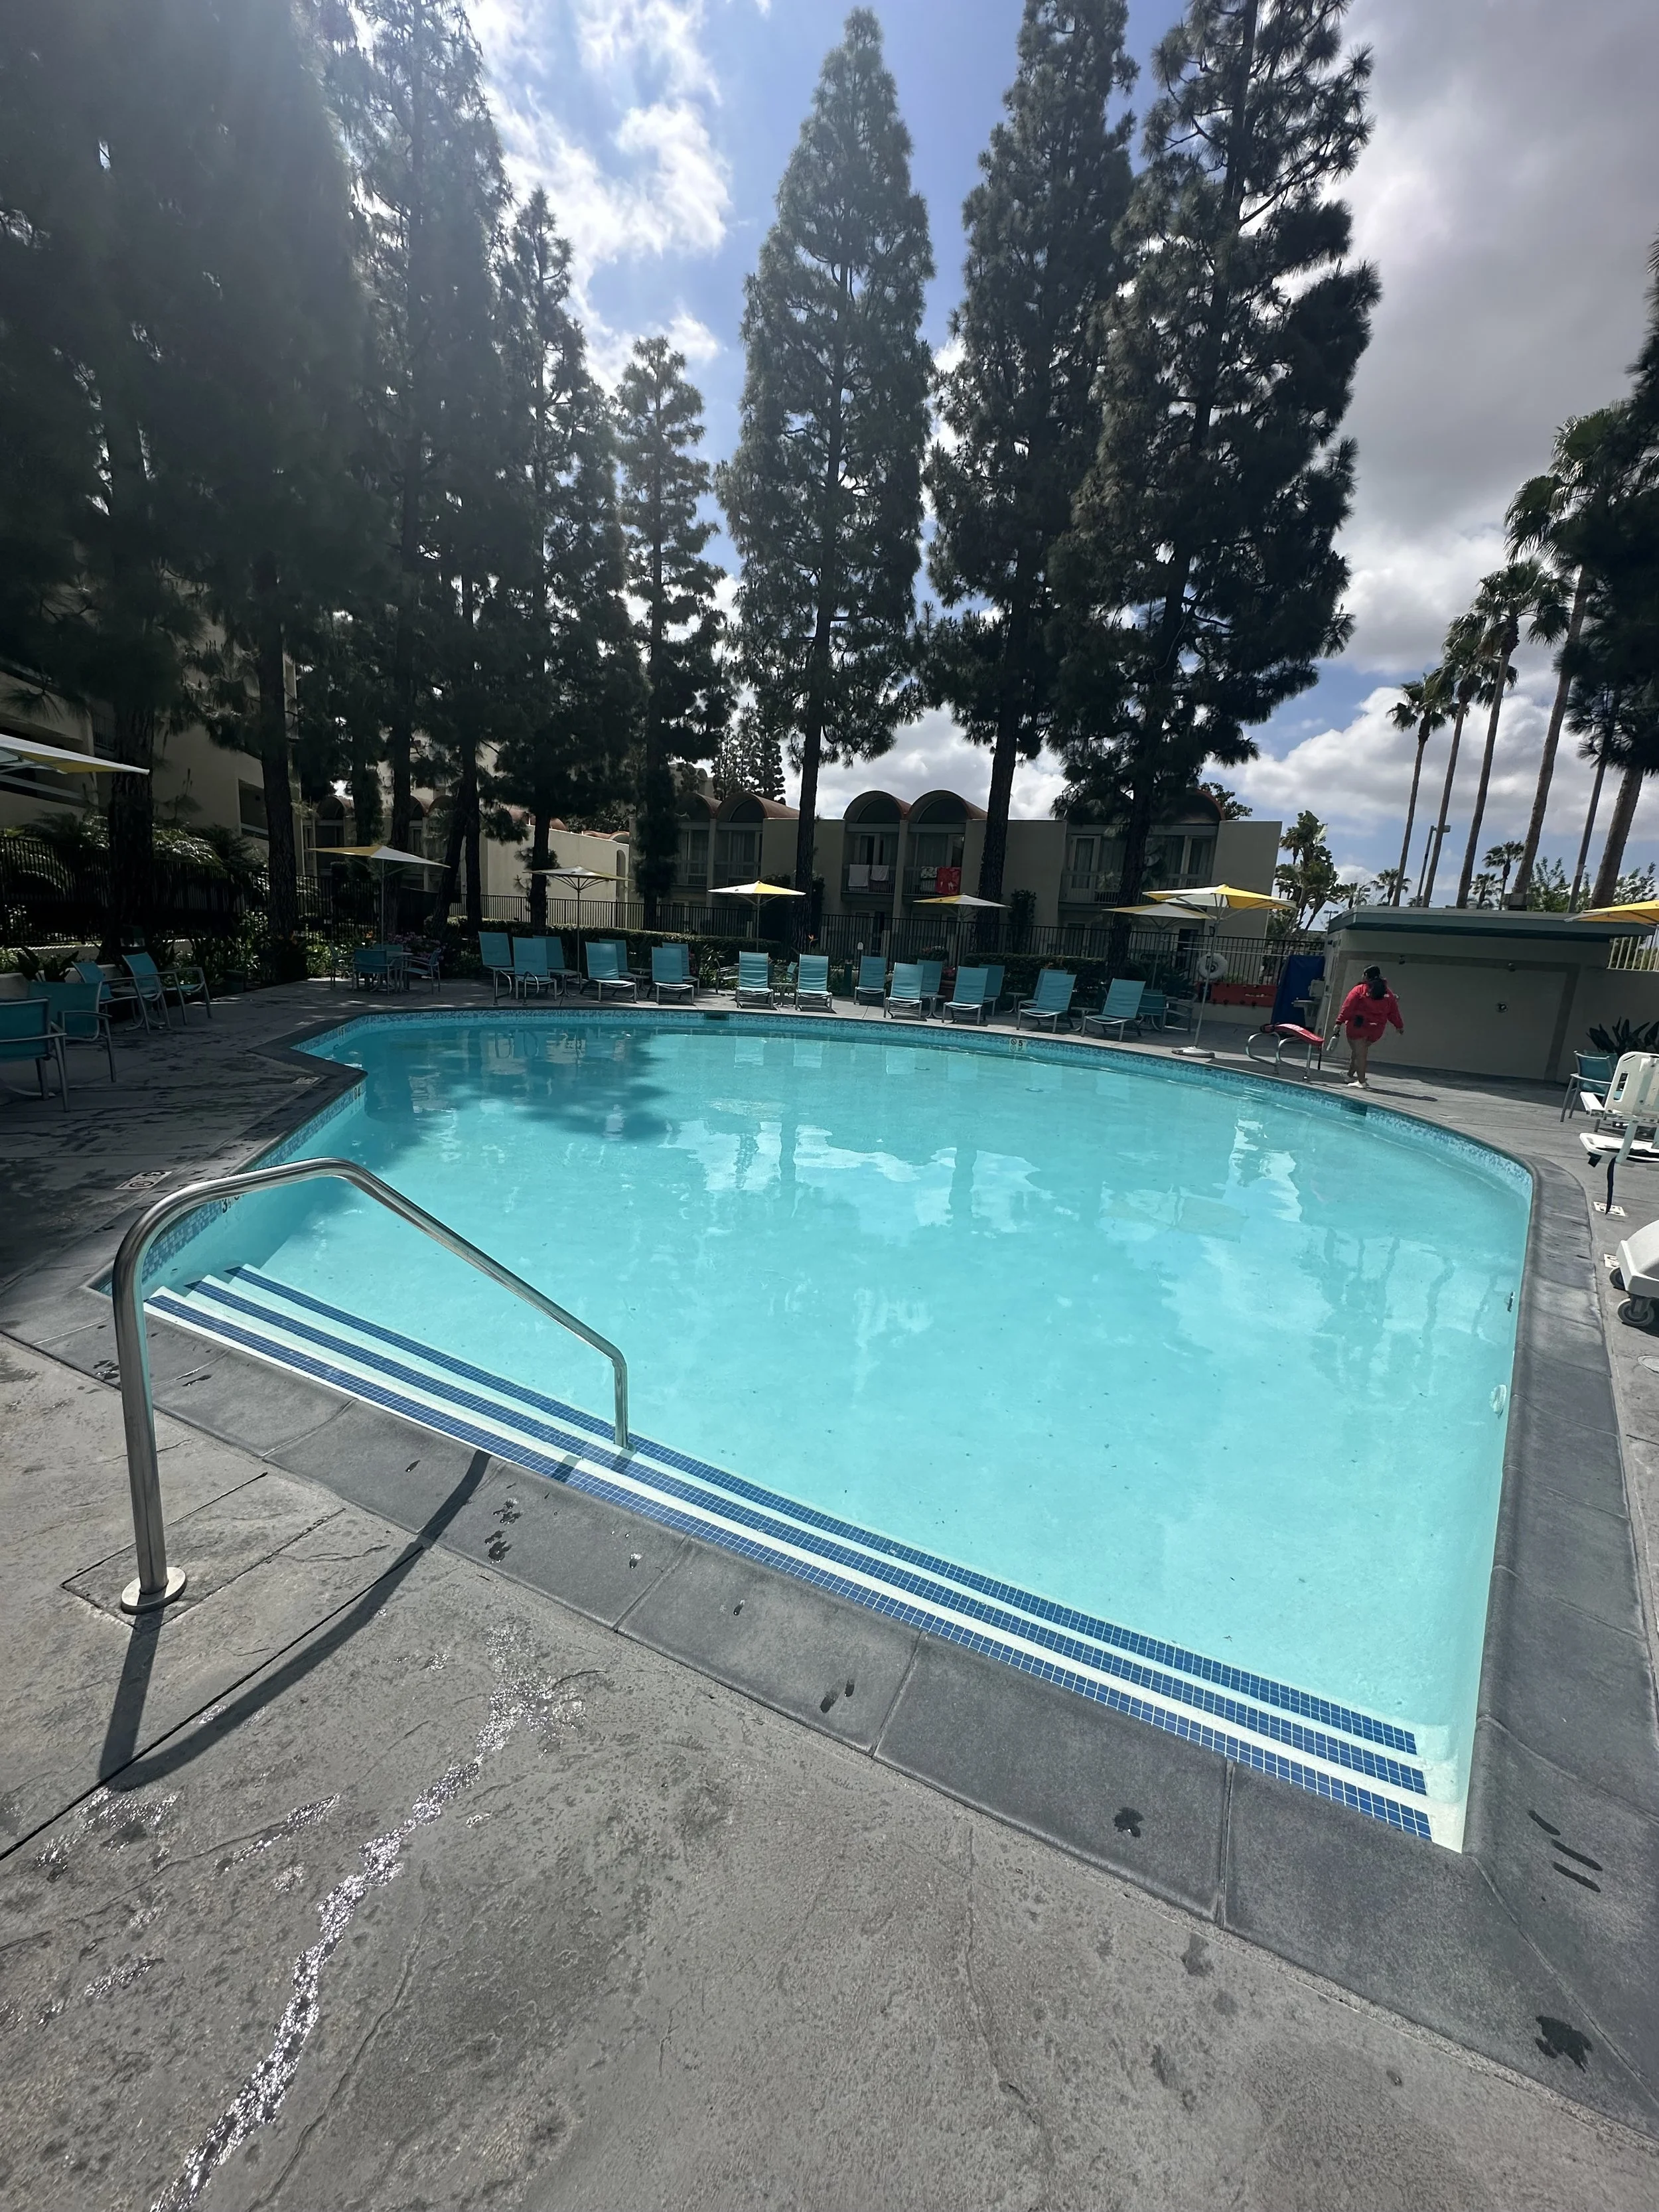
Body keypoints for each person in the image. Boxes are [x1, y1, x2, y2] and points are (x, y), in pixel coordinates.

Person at [1329, 964, 1403, 1087]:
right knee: (1359, 1051)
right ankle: (1349, 1075)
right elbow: (1393, 1012)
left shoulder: (1360, 990)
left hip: (1358, 1026)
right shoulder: (1388, 993)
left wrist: (1339, 1022)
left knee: (1360, 1054)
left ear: (1366, 976)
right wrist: (1399, 1026)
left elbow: (1348, 1007)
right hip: (1376, 1029)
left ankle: (1361, 1081)